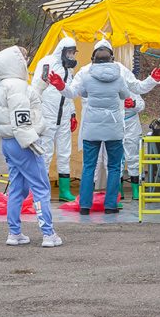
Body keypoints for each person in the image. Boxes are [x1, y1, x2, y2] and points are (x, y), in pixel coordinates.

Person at [0, 45, 62, 247]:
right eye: (23, 57)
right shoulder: (17, 86)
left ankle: (14, 232)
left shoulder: (6, 85)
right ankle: (48, 234)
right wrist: (31, 142)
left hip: (9, 143)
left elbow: (25, 99)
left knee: (17, 188)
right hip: (23, 143)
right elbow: (21, 116)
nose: (26, 60)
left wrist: (41, 84)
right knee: (41, 187)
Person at [48, 44, 129, 214]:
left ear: (93, 60)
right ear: (112, 59)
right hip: (113, 128)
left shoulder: (87, 76)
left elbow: (76, 93)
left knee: (88, 166)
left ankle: (85, 205)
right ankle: (110, 205)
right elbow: (124, 95)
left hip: (92, 128)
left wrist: (61, 86)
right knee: (114, 167)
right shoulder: (119, 77)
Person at [30, 37, 79, 202]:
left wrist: (72, 113)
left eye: (73, 52)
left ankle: (65, 191)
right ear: (62, 51)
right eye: (69, 52)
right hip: (47, 115)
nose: (72, 56)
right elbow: (36, 87)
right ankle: (40, 191)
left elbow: (69, 92)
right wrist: (35, 112)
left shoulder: (68, 69)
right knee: (45, 153)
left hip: (64, 116)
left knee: (65, 153)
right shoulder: (47, 63)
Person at [122, 94, 145, 200]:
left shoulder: (132, 88)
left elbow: (141, 105)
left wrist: (134, 104)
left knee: (133, 158)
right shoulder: (111, 86)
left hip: (132, 126)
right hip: (115, 124)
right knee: (115, 160)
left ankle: (135, 190)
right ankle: (118, 190)